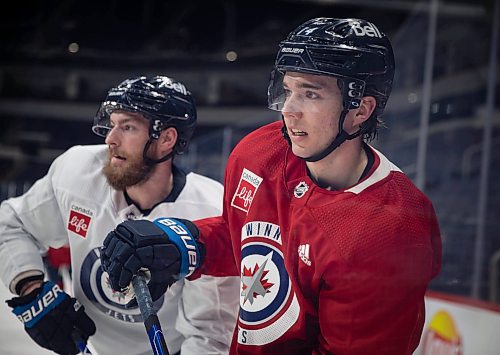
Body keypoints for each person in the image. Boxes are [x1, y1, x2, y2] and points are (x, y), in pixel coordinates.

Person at [100, 18, 442, 354]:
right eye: (288, 90)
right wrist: (183, 242)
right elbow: (251, 239)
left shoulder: (390, 230)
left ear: (360, 109)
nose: (290, 111)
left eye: (310, 94)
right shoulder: (261, 153)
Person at [0, 75, 240, 355]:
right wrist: (31, 289)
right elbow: (11, 222)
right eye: (112, 125)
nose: (111, 139)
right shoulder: (77, 170)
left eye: (127, 127)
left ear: (166, 139)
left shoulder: (210, 211)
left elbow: (210, 335)